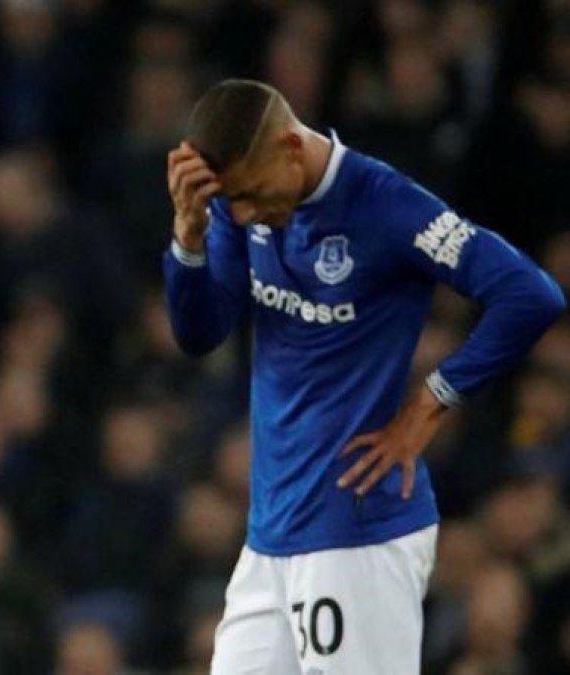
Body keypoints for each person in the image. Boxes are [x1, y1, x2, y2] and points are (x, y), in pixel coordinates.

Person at [162, 79, 564, 674]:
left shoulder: (387, 205)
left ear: (291, 148)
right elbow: (200, 334)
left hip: (358, 531)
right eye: (230, 202)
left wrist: (431, 401)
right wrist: (189, 238)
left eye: (248, 194)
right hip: (272, 533)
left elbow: (531, 293)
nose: (242, 214)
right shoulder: (234, 204)